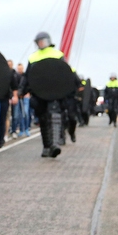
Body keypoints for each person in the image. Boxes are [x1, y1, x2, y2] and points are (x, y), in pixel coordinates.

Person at [19, 31, 77, 159]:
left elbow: (65, 73)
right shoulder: (33, 57)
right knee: (43, 119)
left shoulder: (58, 55)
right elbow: (27, 76)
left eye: (42, 41)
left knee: (55, 115)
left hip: (55, 93)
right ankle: (46, 146)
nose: (40, 44)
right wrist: (21, 90)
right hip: (39, 93)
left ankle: (55, 144)